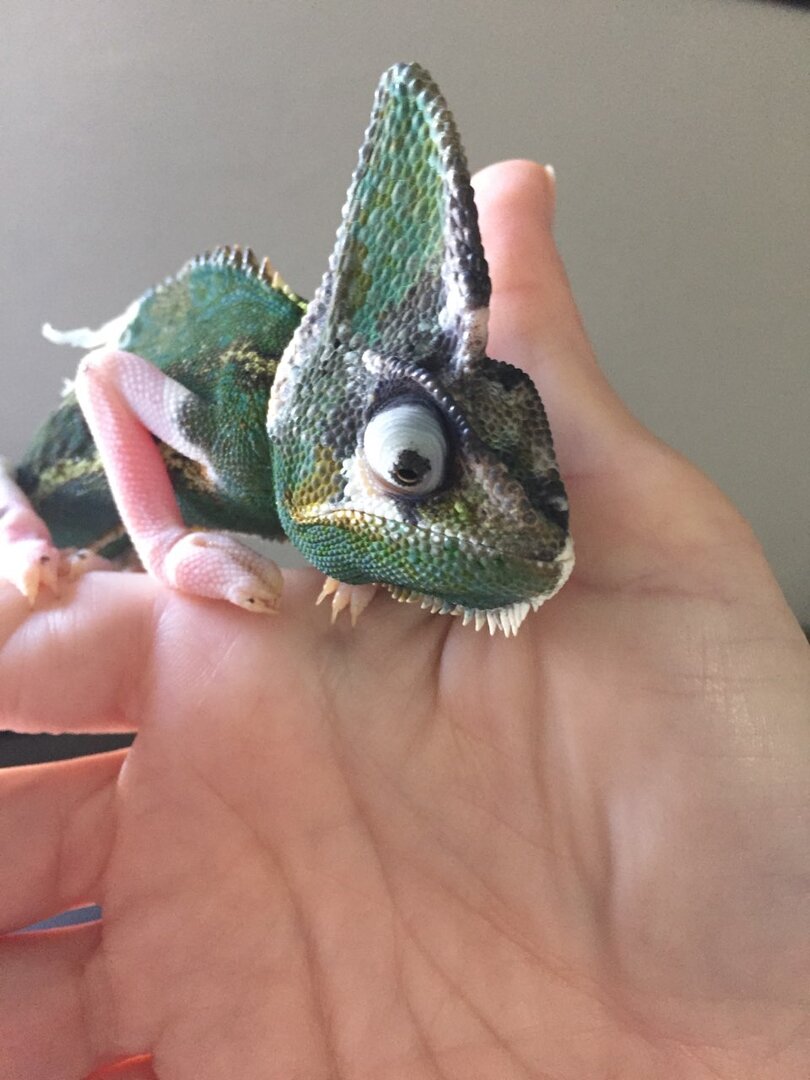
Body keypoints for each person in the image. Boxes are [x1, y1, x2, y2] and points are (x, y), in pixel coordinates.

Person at [1, 161, 807, 1080]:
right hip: (57, 491)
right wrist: (162, 544)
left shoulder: (321, 462)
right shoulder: (241, 434)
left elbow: (343, 504)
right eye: (410, 466)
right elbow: (105, 376)